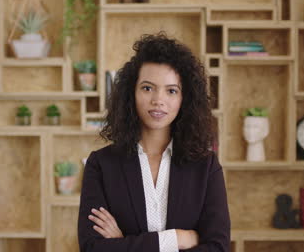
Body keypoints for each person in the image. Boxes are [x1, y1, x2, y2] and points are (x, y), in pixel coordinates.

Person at [78, 32, 230, 252]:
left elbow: (218, 248)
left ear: (184, 99)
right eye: (147, 88)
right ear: (131, 93)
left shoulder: (206, 167)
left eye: (171, 91)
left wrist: (122, 243)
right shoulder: (101, 165)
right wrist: (175, 239)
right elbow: (93, 248)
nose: (158, 100)